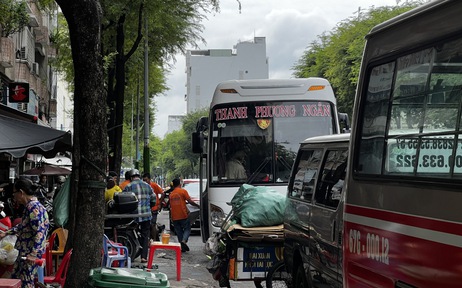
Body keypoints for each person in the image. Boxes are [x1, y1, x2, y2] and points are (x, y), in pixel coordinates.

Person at [0, 178, 49, 287]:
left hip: (29, 253)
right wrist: (6, 233)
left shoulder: (33, 208)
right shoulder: (30, 207)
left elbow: (40, 233)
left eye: (14, 193)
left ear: (21, 193)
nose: (14, 196)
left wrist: (33, 254)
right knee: (16, 280)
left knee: (26, 283)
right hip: (24, 252)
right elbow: (24, 225)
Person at [122, 169, 155, 263]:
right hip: (146, 215)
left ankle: (136, 246)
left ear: (131, 177)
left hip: (133, 216)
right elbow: (153, 199)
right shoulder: (148, 186)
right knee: (145, 235)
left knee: (132, 233)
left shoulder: (128, 186)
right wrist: (149, 207)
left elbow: (124, 201)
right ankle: (144, 257)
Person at [169, 178, 200, 252]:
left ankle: (182, 247)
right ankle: (184, 241)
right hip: (183, 214)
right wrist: (197, 206)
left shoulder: (171, 194)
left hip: (174, 216)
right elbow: (189, 201)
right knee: (187, 228)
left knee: (179, 231)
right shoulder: (183, 191)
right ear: (180, 184)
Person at [142, 173, 164, 241]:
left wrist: (159, 203)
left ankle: (154, 239)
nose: (145, 182)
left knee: (152, 224)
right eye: (144, 180)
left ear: (149, 179)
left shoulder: (154, 185)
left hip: (154, 208)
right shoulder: (142, 186)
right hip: (146, 208)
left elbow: (162, 193)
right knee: (147, 225)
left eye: (146, 180)